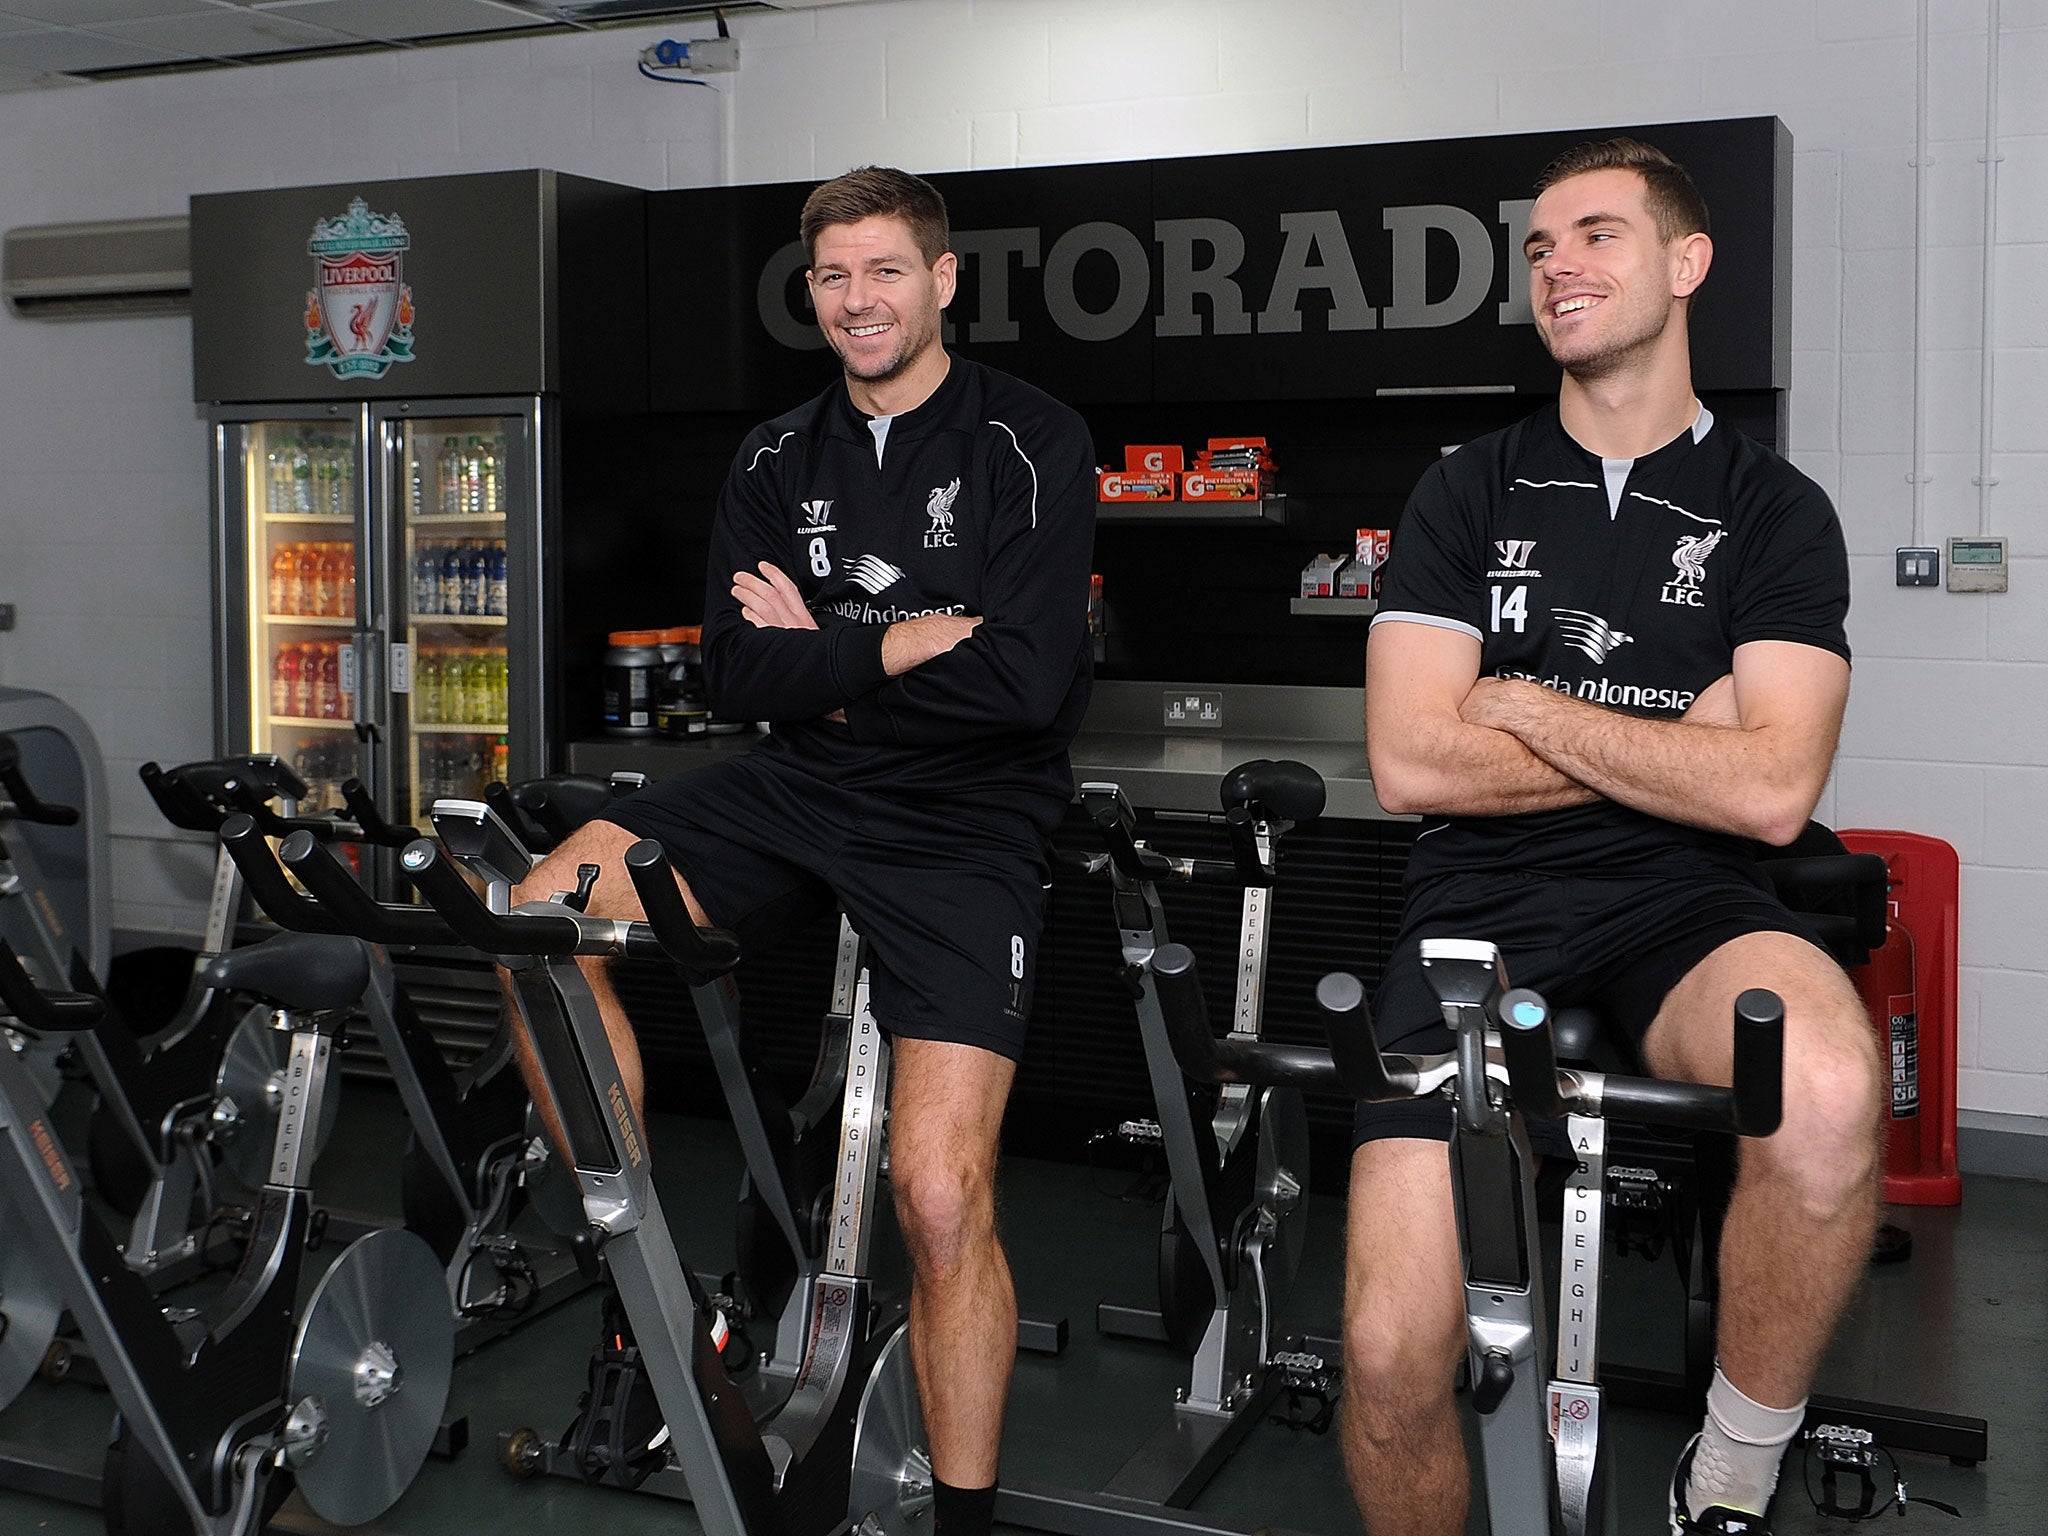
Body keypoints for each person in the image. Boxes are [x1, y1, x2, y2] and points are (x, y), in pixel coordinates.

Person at [507, 165, 1096, 1536]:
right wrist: (898, 646)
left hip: (968, 813)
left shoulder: (1031, 441)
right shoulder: (778, 458)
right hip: (797, 785)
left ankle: (963, 1519)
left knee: (939, 1199)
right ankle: (649, 1280)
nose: (857, 300)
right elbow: (730, 669)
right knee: (543, 915)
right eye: (833, 277)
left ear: (943, 280)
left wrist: (819, 658)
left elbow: (1025, 684)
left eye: (885, 270)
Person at [1347, 138, 1879, 1536]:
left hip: (1690, 902)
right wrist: (1677, 747)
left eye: (1595, 237)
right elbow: (1409, 760)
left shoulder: (1776, 512)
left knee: (1823, 1088)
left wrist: (1523, 708)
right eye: (1539, 248)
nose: (1556, 268)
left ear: (1686, 263)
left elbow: (1769, 800)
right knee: (1394, 1362)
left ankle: (1732, 1475)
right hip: (1475, 902)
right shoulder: (1467, 489)